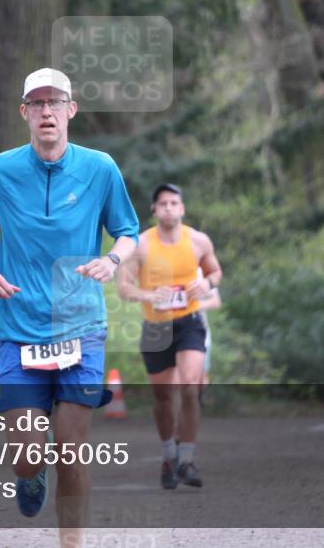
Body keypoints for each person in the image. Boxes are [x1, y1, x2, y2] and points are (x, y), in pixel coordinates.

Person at [0, 67, 139, 546]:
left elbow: (128, 232)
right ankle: (28, 474)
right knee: (27, 453)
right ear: (25, 112)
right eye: (38, 104)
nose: (47, 111)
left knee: (71, 449)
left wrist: (111, 260)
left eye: (55, 102)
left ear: (71, 110)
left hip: (80, 325)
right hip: (19, 325)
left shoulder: (100, 168)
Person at [117, 183, 222, 489]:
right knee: (163, 397)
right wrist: (149, 295)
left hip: (189, 322)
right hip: (156, 328)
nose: (168, 208)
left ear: (182, 208)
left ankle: (187, 459)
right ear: (154, 209)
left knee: (190, 387)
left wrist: (207, 285)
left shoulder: (198, 241)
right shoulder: (142, 244)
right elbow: (123, 288)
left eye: (174, 203)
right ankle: (168, 455)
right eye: (162, 203)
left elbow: (215, 272)